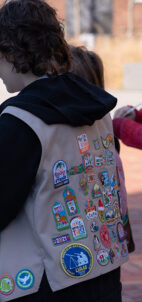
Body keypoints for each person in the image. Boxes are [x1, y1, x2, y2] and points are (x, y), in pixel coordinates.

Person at [0, 1, 127, 302]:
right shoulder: (96, 107)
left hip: (44, 286)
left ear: (14, 54)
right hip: (101, 269)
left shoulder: (21, 121)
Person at [70, 45, 135, 253]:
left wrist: (121, 126)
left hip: (100, 228)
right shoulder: (102, 122)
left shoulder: (95, 126)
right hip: (109, 226)